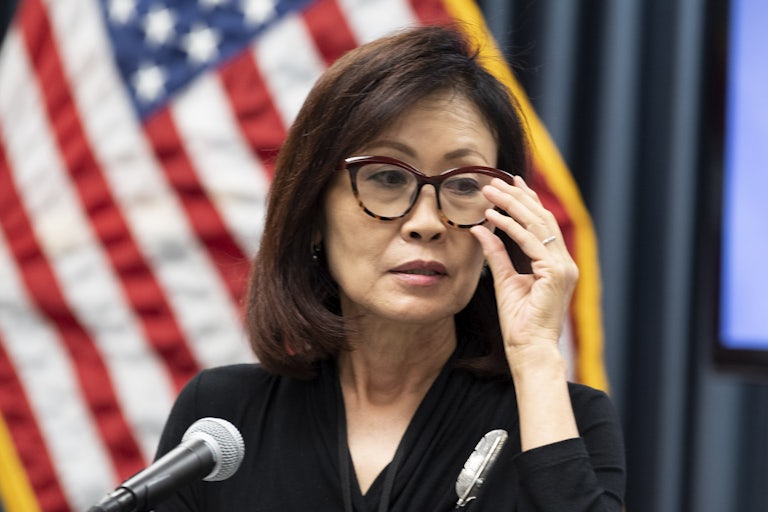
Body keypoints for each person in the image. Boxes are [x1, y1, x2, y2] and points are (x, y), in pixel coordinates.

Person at [153, 25, 626, 511]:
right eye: (386, 177)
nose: (426, 223)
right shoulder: (221, 421)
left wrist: (535, 358)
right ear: (313, 213)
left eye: (465, 185)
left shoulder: (563, 419)